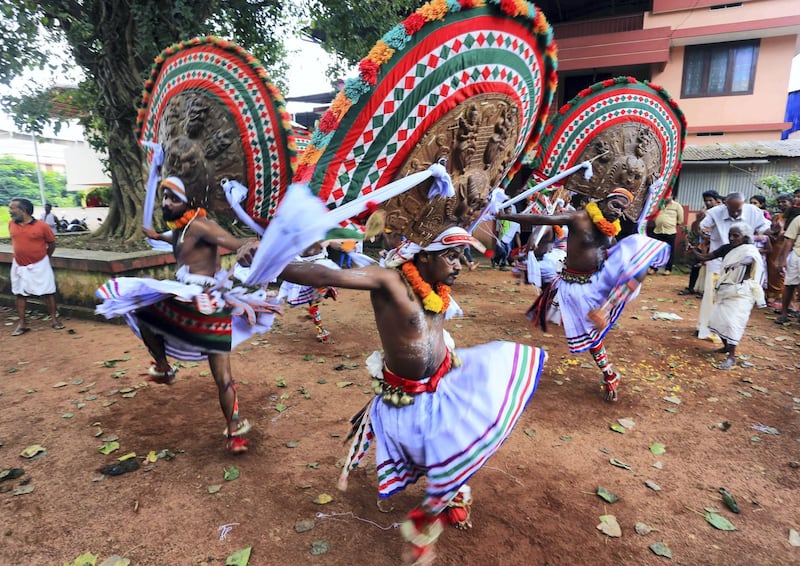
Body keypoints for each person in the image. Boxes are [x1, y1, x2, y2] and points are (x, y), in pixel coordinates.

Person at [280, 226, 547, 565]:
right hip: (403, 397)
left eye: (462, 256)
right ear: (423, 256)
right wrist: (270, 260)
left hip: (446, 382)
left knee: (466, 437)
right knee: (432, 450)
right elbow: (323, 272)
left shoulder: (438, 287)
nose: (461, 264)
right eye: (451, 256)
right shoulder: (389, 282)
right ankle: (438, 505)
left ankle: (445, 498)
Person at [95, 177, 280, 454]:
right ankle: (163, 368)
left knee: (222, 376)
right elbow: (173, 237)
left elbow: (233, 240)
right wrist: (157, 236)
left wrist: (245, 245)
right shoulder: (181, 228)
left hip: (207, 301)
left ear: (191, 202)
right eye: (164, 197)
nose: (165, 203)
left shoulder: (202, 225)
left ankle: (234, 430)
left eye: (172, 198)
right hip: (186, 296)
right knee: (144, 313)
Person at [499, 188, 668, 402]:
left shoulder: (611, 230)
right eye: (615, 205)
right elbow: (544, 218)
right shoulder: (578, 217)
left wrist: (625, 265)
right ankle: (609, 373)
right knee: (591, 334)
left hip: (597, 282)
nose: (618, 212)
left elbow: (611, 253)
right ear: (603, 200)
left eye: (622, 210)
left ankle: (606, 313)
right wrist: (506, 215)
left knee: (639, 258)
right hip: (576, 287)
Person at [691, 222, 765, 369]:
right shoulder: (727, 248)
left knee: (732, 323)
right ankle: (725, 347)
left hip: (742, 293)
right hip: (726, 290)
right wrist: (693, 250)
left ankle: (731, 357)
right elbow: (706, 257)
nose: (731, 238)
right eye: (730, 235)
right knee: (717, 320)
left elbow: (750, 259)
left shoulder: (749, 250)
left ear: (745, 237)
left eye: (735, 235)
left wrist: (739, 263)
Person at [696, 192, 770, 339]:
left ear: (744, 205)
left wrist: (773, 231)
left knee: (736, 298)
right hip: (719, 260)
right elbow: (702, 228)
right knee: (714, 295)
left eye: (738, 210)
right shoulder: (714, 212)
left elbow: (765, 229)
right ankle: (708, 328)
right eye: (732, 210)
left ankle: (728, 332)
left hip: (743, 261)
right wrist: (701, 231)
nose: (735, 213)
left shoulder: (753, 211)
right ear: (725, 205)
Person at [8, 198, 65, 335]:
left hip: (40, 264)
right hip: (19, 265)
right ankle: (22, 323)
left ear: (23, 210)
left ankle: (54, 320)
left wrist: (45, 258)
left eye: (12, 208)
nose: (9, 211)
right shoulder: (11, 224)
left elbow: (51, 244)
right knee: (20, 293)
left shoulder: (42, 226)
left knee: (48, 292)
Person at [277, 242, 339, 343]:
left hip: (315, 266)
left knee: (316, 299)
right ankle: (320, 330)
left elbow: (331, 243)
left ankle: (320, 328)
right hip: (308, 267)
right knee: (315, 300)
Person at [679, 191, 723, 296]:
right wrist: (699, 219)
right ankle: (691, 288)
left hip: (715, 246)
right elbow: (696, 229)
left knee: (712, 269)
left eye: (710, 200)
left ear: (716, 201)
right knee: (695, 266)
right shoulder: (704, 213)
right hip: (702, 244)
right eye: (706, 200)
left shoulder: (720, 213)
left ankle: (709, 291)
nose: (708, 203)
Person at [766, 193, 793, 309]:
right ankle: (771, 295)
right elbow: (769, 231)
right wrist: (772, 233)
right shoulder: (777, 217)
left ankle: (782, 297)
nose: (781, 204)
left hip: (788, 247)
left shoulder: (794, 217)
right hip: (775, 246)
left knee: (784, 272)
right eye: (779, 202)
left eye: (784, 202)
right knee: (772, 271)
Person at [649, 194, 684, 275]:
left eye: (668, 195)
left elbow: (680, 220)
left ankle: (668, 269)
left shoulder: (677, 206)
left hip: (670, 232)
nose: (666, 197)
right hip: (657, 231)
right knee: (656, 250)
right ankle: (653, 268)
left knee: (670, 251)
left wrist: (670, 224)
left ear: (672, 196)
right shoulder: (658, 205)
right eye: (665, 195)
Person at [775, 211, 800, 325]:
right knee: (790, 285)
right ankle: (784, 313)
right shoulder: (798, 219)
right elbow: (789, 240)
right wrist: (783, 259)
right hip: (797, 256)